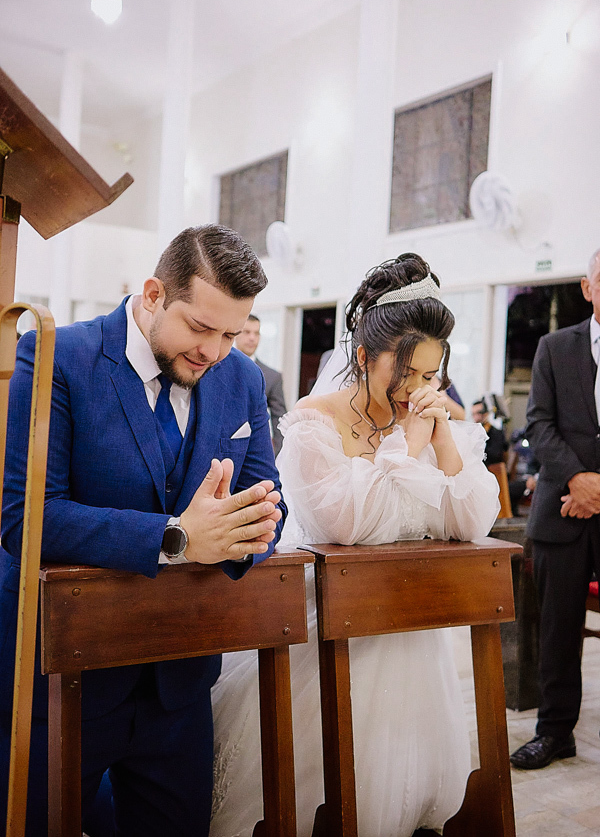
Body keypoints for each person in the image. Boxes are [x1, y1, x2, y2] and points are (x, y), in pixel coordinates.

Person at [0, 224, 286, 837]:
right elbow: (27, 519)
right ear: (155, 293)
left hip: (179, 682)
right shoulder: (61, 355)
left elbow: (267, 503)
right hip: (62, 675)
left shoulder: (241, 379)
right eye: (200, 327)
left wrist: (252, 528)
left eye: (232, 333)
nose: (214, 351)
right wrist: (178, 539)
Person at [209, 253, 500, 837]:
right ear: (364, 356)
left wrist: (443, 442)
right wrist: (402, 448)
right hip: (325, 637)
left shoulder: (425, 416)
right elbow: (349, 523)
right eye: (408, 373)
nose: (418, 390)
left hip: (413, 631)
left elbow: (470, 522)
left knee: (401, 795)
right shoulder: (314, 423)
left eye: (430, 375)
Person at [510, 248, 600, 771]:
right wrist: (578, 480)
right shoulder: (552, 347)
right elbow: (538, 424)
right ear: (587, 288)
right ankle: (554, 733)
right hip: (560, 514)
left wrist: (599, 488)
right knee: (557, 630)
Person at [235, 313, 287, 454]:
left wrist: (278, 454)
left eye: (256, 333)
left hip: (254, 450)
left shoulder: (272, 376)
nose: (252, 338)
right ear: (235, 333)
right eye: (247, 332)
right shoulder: (216, 366)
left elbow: (279, 418)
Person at [471, 397, 508, 465]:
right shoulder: (473, 434)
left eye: (479, 413)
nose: (476, 417)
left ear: (486, 414)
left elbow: (495, 456)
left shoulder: (497, 433)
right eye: (473, 414)